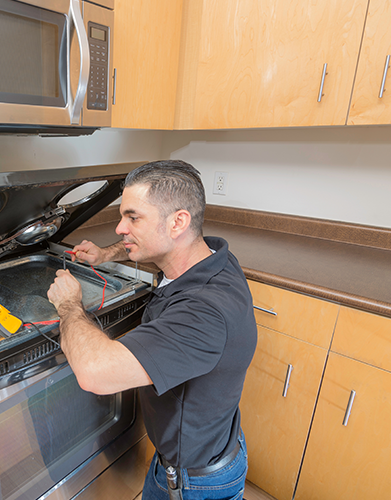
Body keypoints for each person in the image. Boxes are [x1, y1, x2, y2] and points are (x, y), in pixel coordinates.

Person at [46, 160, 257, 500]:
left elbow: (94, 374)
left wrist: (69, 304)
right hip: (208, 449)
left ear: (178, 222)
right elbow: (156, 247)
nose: (119, 228)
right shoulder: (209, 258)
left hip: (193, 482)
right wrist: (106, 254)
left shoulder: (204, 311)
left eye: (133, 217)